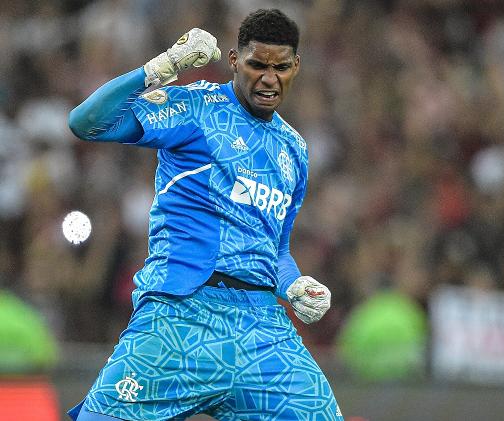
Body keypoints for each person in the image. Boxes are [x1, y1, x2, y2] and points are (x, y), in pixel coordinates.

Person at [66, 9, 343, 421]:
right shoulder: (196, 108)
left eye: (281, 67)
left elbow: (277, 250)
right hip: (180, 316)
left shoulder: (294, 150)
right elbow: (86, 123)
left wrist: (294, 284)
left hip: (262, 331)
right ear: (234, 60)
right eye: (257, 65)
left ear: (296, 66)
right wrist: (159, 69)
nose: (269, 78)